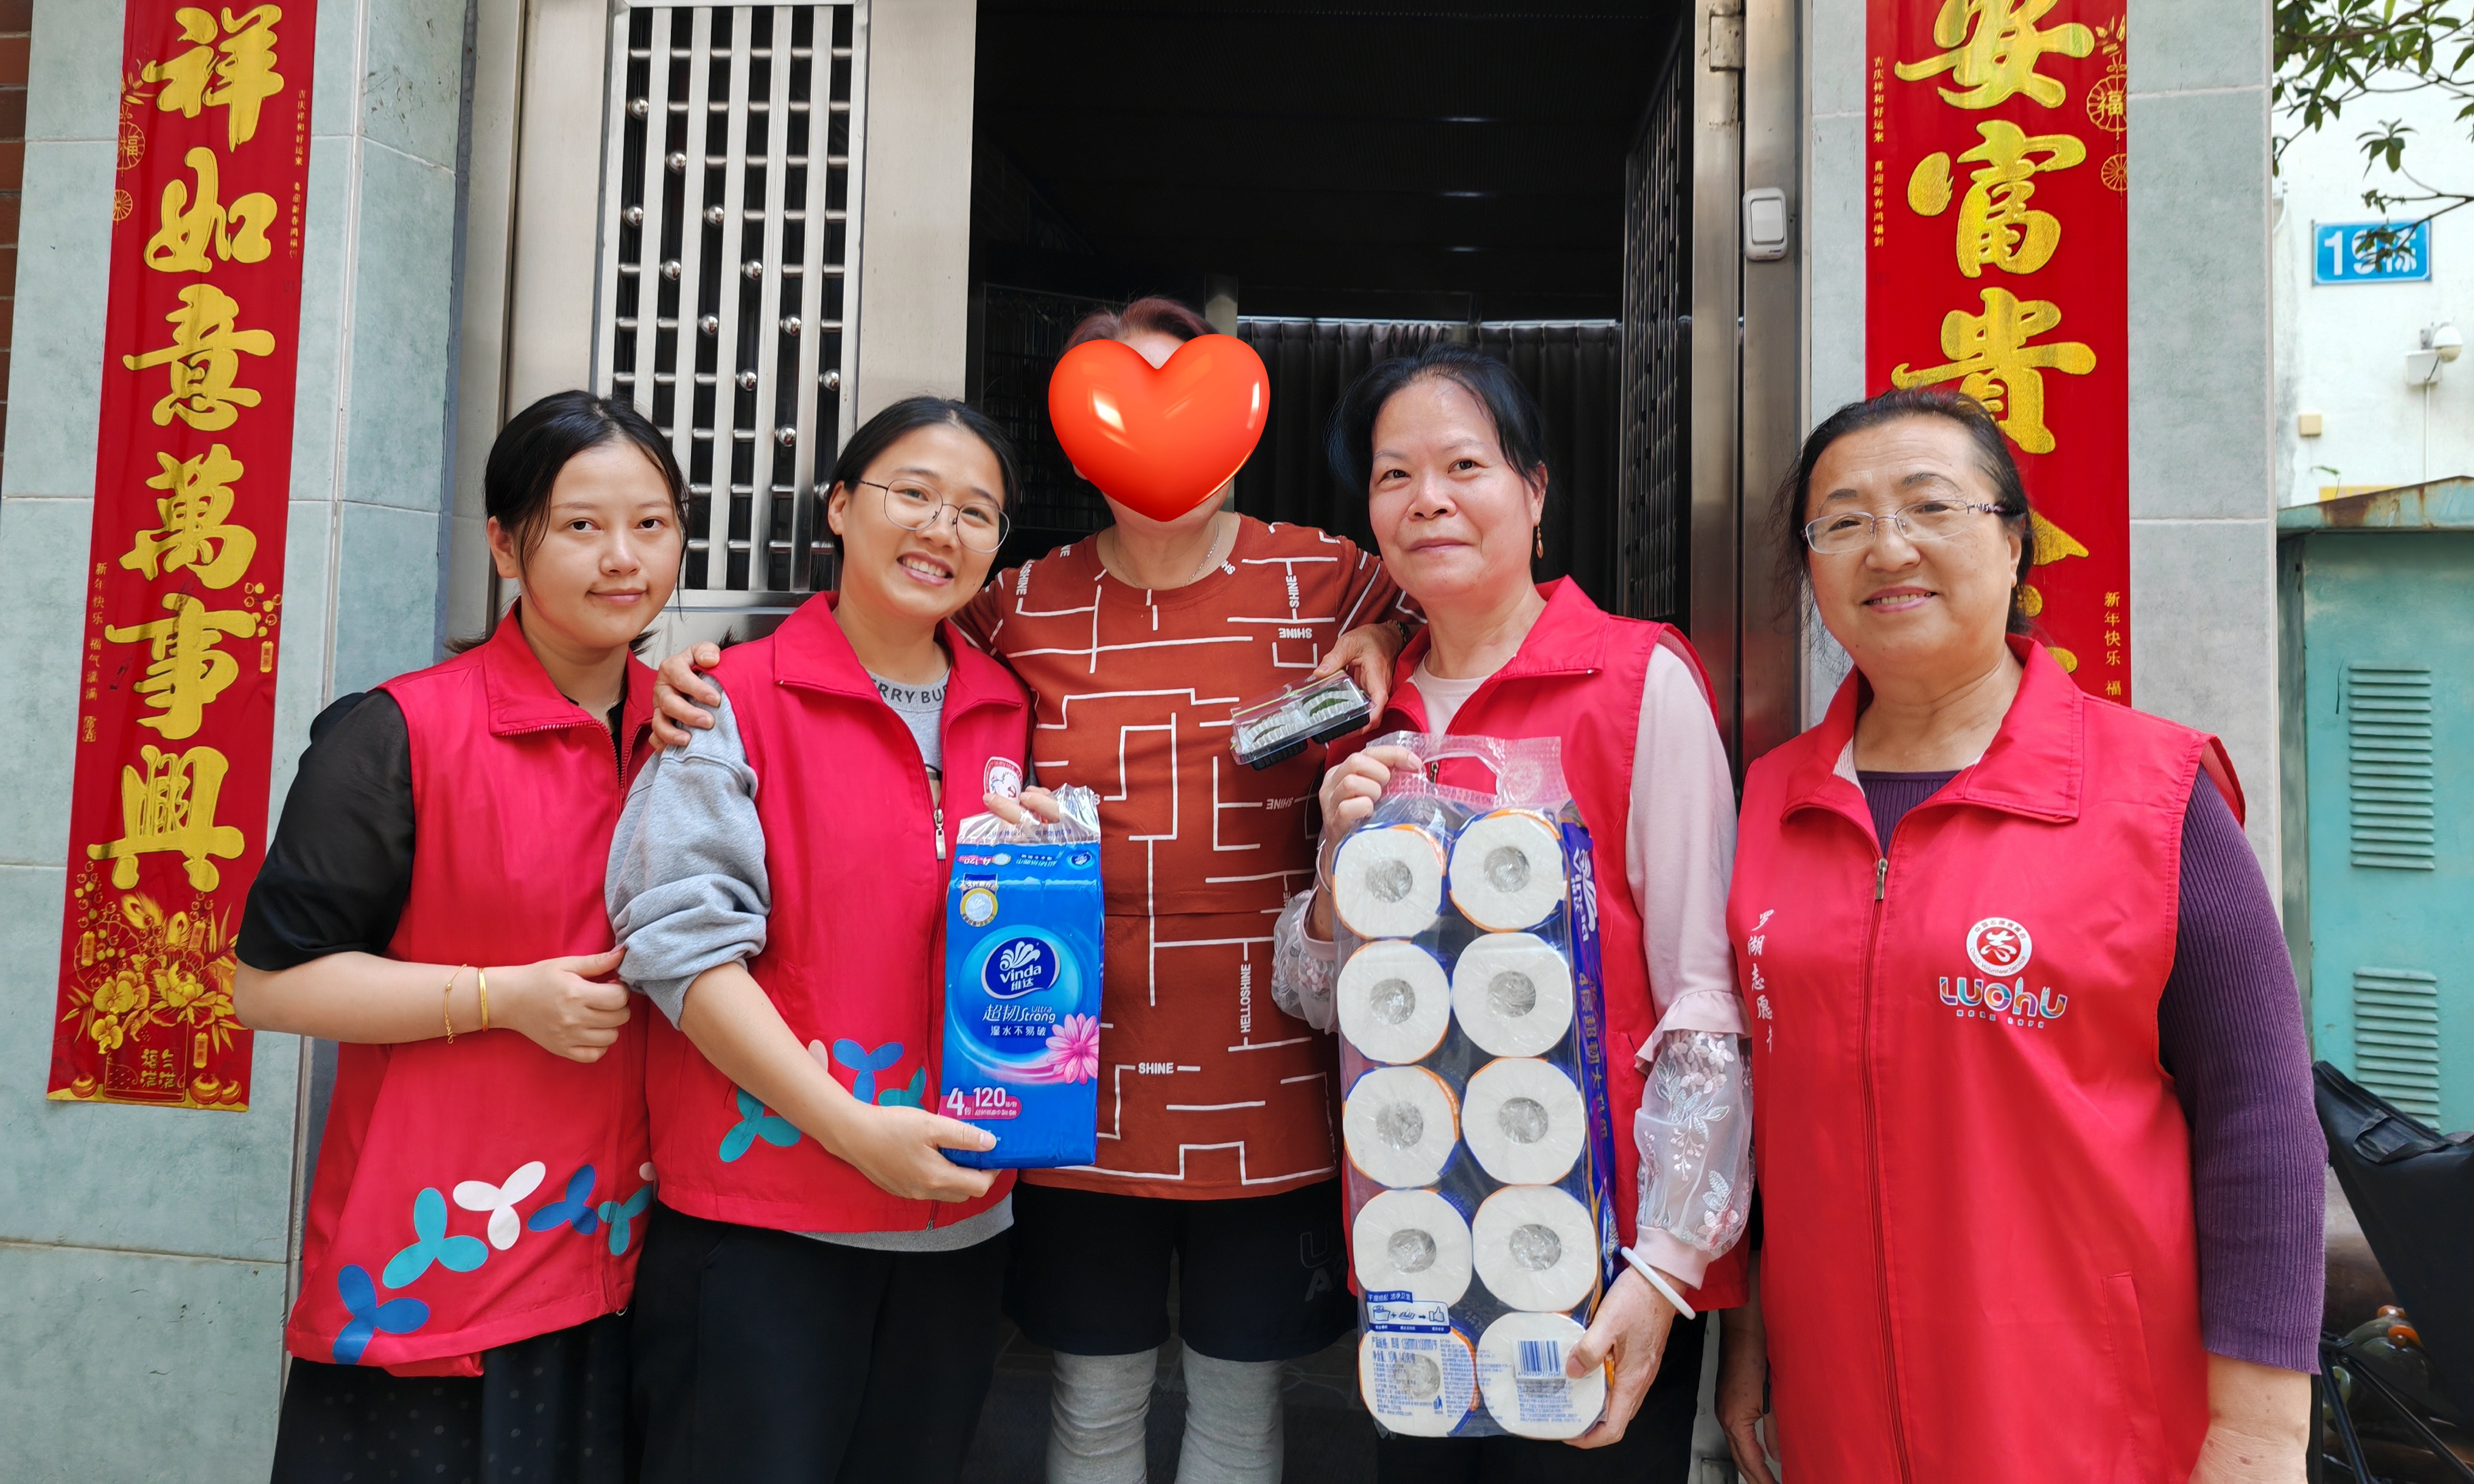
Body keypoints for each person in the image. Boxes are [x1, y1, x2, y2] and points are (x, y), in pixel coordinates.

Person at [653, 297, 1414, 1483]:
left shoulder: (1338, 580)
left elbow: (1464, 619)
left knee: (1239, 1399)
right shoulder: (1016, 603)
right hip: (1057, 1072)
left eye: (1183, 407)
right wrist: (694, 666)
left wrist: (1391, 641)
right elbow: (874, 646)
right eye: (1119, 411)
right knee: (1092, 1395)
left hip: (1267, 1069)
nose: (1155, 441)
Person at [1712, 388, 2322, 1484]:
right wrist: (1753, 1328)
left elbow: (2261, 1118)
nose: (1887, 547)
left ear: (2012, 543)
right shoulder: (1772, 799)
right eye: (1842, 521)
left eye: (1930, 506)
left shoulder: (2154, 792)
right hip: (1841, 1418)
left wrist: (2262, 1434)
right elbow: (1771, 1111)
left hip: (2090, 1421)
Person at [1278, 343, 1750, 1483]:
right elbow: (1322, 1000)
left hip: (1595, 1256)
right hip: (1416, 1242)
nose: (1427, 499)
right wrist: (1336, 878)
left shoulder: (1637, 681)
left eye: (1464, 466)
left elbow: (1705, 998)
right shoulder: (1362, 714)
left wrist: (1665, 1266)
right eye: (1394, 476)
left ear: (1535, 492)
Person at [235, 391, 684, 1483]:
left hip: (638, 1263)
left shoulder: (693, 731)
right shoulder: (399, 730)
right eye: (580, 525)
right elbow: (268, 986)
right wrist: (502, 996)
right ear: (504, 543)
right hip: (443, 1281)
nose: (623, 557)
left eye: (652, 523)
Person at [607, 396, 1041, 1484]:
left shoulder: (1012, 707)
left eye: (976, 512)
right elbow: (681, 949)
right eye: (913, 494)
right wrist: (849, 1128)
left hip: (959, 1227)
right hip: (767, 1228)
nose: (941, 529)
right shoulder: (729, 699)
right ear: (841, 505)